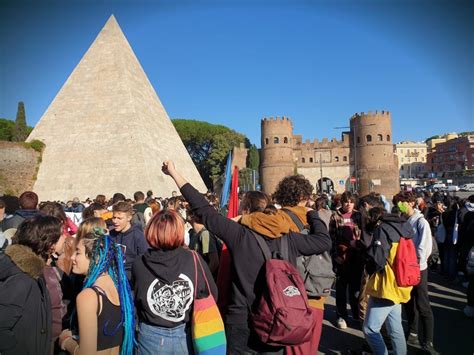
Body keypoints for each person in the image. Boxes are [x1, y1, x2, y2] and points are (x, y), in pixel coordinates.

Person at [162, 160, 332, 354]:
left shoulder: (240, 235)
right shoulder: (289, 238)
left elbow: (203, 208)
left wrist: (174, 173)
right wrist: (313, 215)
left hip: (241, 322)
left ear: (247, 211)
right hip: (276, 319)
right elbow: (323, 241)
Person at [132, 209, 217, 354]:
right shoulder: (193, 259)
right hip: (184, 333)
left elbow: (136, 297)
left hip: (150, 335)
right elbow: (211, 294)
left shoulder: (139, 263)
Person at [59, 227, 135, 355]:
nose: (72, 257)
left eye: (77, 252)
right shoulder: (118, 287)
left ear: (96, 257)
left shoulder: (88, 296)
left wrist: (66, 341)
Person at [0, 215, 63, 355]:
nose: (64, 239)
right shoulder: (22, 278)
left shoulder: (32, 271)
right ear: (49, 244)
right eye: (60, 236)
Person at [363, 207, 414, 355]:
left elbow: (377, 260)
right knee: (395, 327)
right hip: (401, 281)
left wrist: (368, 268)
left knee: (370, 328)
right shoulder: (404, 226)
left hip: (386, 285)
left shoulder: (382, 229)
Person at [394, 192, 439, 355]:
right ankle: (412, 333)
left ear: (411, 203)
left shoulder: (421, 222)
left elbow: (423, 248)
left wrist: (413, 264)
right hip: (406, 269)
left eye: (402, 203)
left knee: (423, 304)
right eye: (398, 204)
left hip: (418, 269)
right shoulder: (404, 220)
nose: (399, 206)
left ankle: (428, 342)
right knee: (408, 302)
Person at [329, 191, 363, 329]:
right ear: (341, 202)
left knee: (356, 288)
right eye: (346, 201)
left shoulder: (358, 215)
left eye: (351, 201)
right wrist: (335, 255)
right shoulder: (335, 216)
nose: (349, 204)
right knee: (341, 289)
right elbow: (331, 238)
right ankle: (341, 315)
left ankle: (356, 314)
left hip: (356, 256)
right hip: (341, 256)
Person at [109, 201, 149, 280]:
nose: (115, 221)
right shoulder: (111, 235)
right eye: (114, 217)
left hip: (131, 279)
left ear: (129, 218)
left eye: (119, 218)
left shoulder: (138, 236)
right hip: (113, 276)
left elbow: (144, 260)